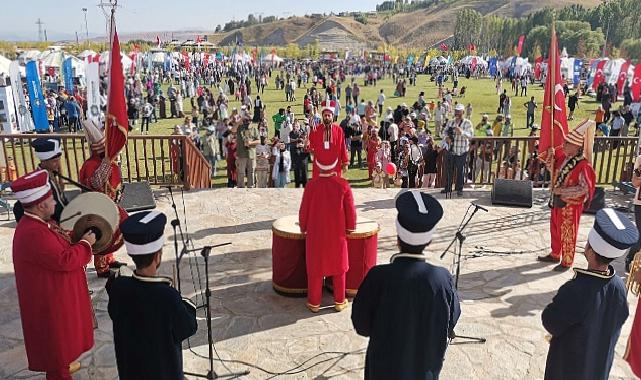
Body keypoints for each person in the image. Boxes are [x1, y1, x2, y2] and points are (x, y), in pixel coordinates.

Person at [352, 190, 460, 380]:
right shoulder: (443, 280)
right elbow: (451, 320)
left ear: (397, 237)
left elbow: (361, 326)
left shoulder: (377, 277)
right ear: (430, 240)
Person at [12, 169, 97, 380]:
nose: (54, 203)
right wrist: (86, 244)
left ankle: (63, 367)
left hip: (50, 298)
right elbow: (64, 259)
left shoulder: (37, 224)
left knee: (60, 349)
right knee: (57, 351)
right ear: (40, 206)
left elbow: (55, 242)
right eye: (50, 199)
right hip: (49, 305)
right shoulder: (33, 233)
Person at [542, 208, 636, 380]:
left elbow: (550, 322)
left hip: (569, 369)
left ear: (590, 251)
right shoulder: (618, 286)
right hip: (597, 369)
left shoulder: (576, 289)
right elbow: (620, 317)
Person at [107, 211, 198, 380]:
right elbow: (188, 328)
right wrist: (179, 298)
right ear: (158, 256)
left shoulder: (118, 286)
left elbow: (115, 311)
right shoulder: (167, 297)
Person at [299, 156, 356, 312]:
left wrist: (303, 226)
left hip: (316, 234)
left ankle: (314, 302)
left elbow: (304, 209)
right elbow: (350, 210)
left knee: (315, 269)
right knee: (339, 268)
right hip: (337, 235)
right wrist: (350, 227)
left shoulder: (311, 185)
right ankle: (339, 301)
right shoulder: (343, 185)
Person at [538, 120, 597, 270]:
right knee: (556, 228)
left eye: (567, 144)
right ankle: (555, 254)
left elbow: (584, 188)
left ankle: (567, 261)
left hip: (571, 205)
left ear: (576, 147)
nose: (563, 146)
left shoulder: (583, 165)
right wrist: (550, 158)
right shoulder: (564, 159)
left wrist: (562, 191)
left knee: (568, 232)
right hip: (558, 201)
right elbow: (553, 172)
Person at [78, 119, 127, 277]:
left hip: (108, 203)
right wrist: (106, 163)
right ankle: (101, 267)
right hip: (95, 207)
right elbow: (95, 182)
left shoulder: (104, 161)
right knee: (102, 233)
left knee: (116, 228)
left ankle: (109, 259)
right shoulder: (91, 164)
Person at [13, 138, 68, 223]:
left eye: (59, 160)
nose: (58, 164)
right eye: (54, 161)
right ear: (44, 162)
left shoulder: (51, 174)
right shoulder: (41, 181)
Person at [307, 100, 349, 178]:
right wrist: (308, 145)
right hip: (319, 167)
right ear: (322, 116)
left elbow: (343, 146)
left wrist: (345, 162)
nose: (327, 117)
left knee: (334, 187)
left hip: (335, 166)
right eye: (325, 115)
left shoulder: (338, 130)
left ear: (332, 116)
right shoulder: (316, 130)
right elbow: (310, 144)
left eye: (329, 115)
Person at [440, 103, 473, 196]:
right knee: (449, 169)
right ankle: (448, 187)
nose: (457, 113)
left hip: (462, 151)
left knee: (460, 170)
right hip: (451, 150)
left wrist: (461, 132)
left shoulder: (467, 123)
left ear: (463, 112)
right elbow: (444, 132)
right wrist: (446, 137)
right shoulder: (451, 122)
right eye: (456, 111)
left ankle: (459, 188)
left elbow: (470, 136)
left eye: (459, 111)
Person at [236, 118, 259, 188]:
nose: (247, 122)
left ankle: (251, 186)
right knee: (241, 172)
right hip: (241, 154)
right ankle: (240, 187)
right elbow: (232, 130)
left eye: (249, 120)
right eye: (245, 120)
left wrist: (251, 143)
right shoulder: (239, 128)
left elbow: (259, 141)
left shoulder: (254, 129)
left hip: (251, 154)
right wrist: (238, 122)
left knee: (251, 172)